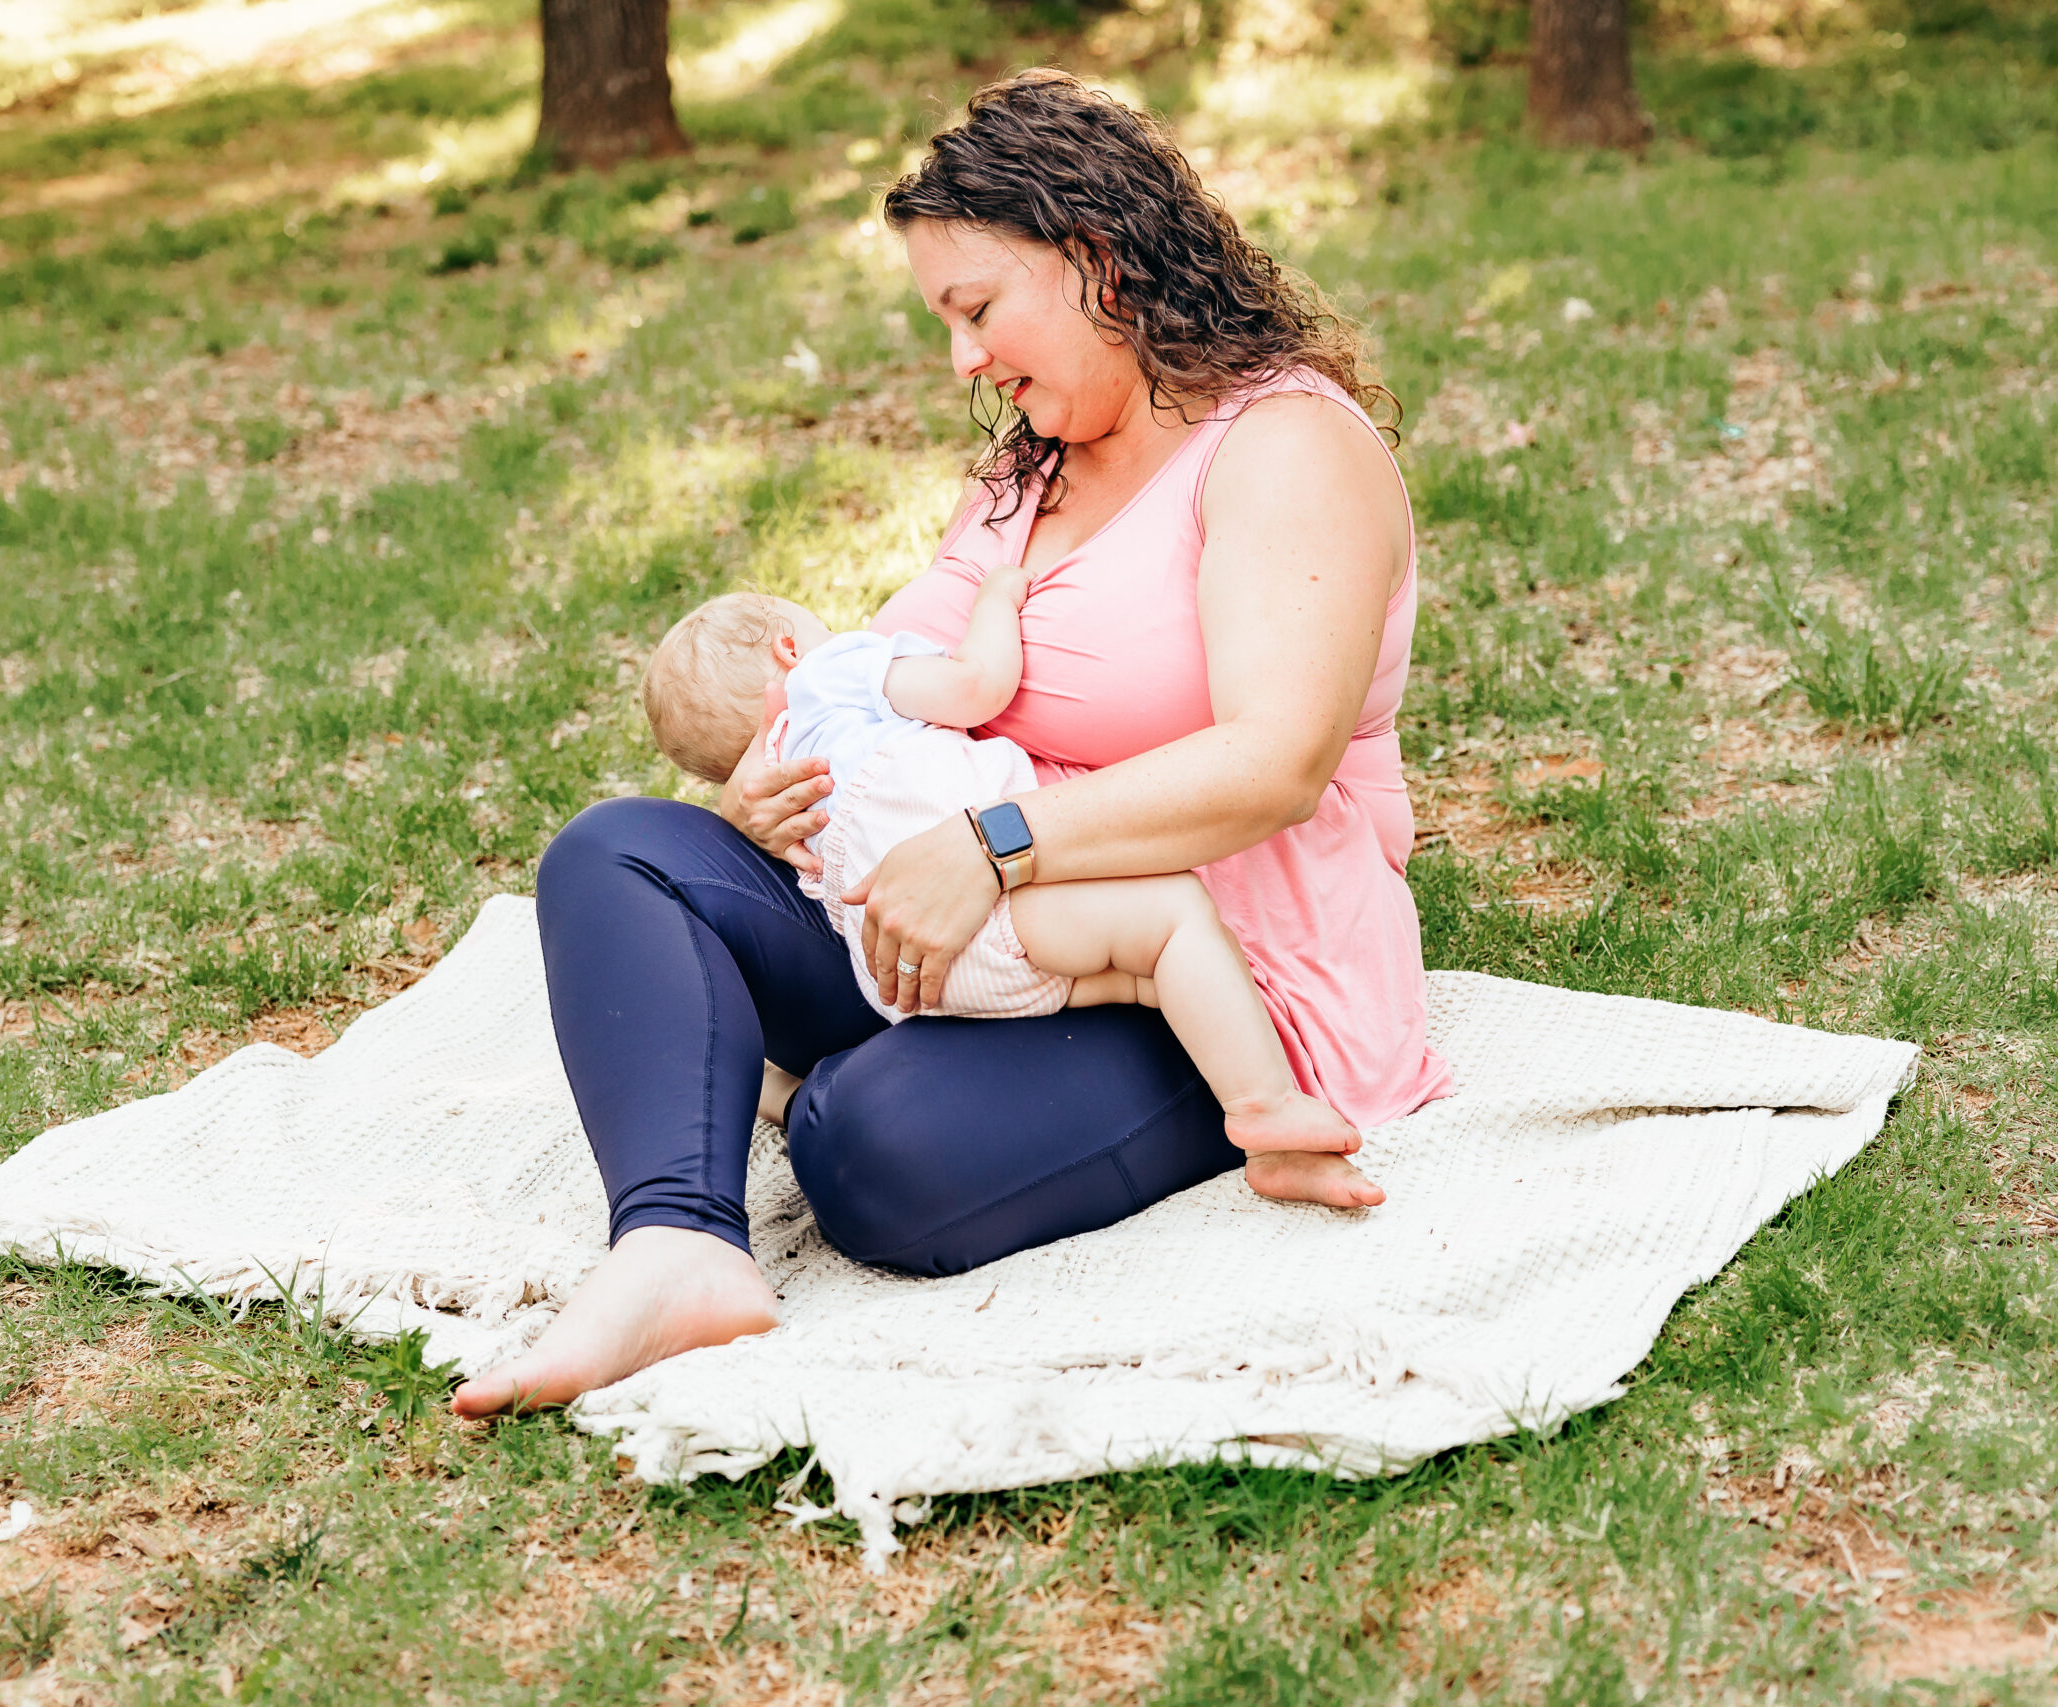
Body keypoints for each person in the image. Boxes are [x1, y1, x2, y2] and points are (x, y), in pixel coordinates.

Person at [451, 69, 1451, 1419]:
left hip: (1198, 958)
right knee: (619, 851)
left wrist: (995, 844)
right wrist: (782, 786)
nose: (963, 359)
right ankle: (678, 1242)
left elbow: (1273, 760)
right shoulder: (1030, 467)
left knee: (865, 1148)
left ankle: (808, 1077)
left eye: (976, 310)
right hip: (961, 925)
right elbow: (892, 676)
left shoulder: (1280, 448)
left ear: (1096, 256)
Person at [636, 580, 1381, 1197]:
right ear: (788, 649)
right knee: (1177, 920)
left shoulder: (770, 790)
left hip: (903, 970)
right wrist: (996, 602)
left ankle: (777, 1090)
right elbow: (974, 686)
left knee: (1137, 973)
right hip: (979, 903)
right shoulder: (829, 675)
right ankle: (1265, 1111)